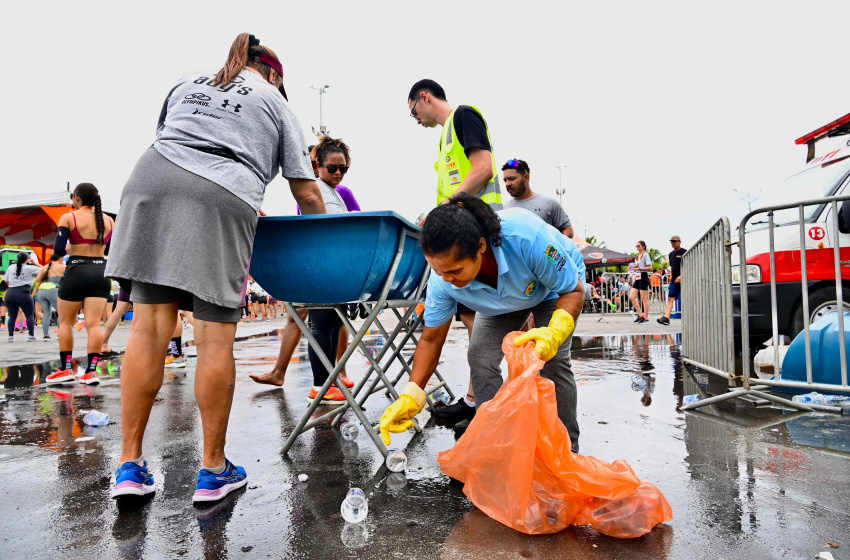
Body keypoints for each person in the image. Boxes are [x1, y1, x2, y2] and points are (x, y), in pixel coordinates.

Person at [103, 32, 325, 503]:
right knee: (213, 334)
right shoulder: (276, 102)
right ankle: (212, 469)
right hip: (223, 192)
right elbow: (307, 193)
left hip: (149, 179)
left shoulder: (188, 81)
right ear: (272, 75)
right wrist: (325, 249)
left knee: (148, 326)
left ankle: (128, 467)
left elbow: (174, 140)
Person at [380, 192, 586, 443]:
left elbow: (572, 290)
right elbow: (431, 340)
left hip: (553, 289)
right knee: (479, 356)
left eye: (455, 270)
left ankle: (567, 447)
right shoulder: (442, 280)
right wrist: (411, 394)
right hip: (504, 299)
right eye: (437, 270)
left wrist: (555, 332)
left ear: (481, 246)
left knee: (553, 361)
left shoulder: (526, 237)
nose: (447, 280)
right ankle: (495, 439)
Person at [407, 79, 504, 425]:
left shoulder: (464, 117)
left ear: (424, 97)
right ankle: (476, 396)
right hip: (461, 233)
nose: (414, 118)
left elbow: (484, 167)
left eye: (413, 110)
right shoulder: (445, 136)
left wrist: (448, 206)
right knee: (470, 319)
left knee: (480, 321)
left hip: (475, 231)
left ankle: (484, 403)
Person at [42, 184, 114, 386]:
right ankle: (91, 372)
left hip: (77, 271)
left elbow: (58, 250)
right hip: (101, 272)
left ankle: (65, 369)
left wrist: (69, 247)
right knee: (93, 324)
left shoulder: (69, 217)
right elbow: (111, 249)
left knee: (65, 322)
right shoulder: (109, 220)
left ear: (77, 198)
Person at [502, 158, 573, 237]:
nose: (507, 184)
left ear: (526, 178)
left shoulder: (549, 203)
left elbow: (568, 230)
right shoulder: (504, 210)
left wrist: (555, 245)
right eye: (505, 180)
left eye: (511, 179)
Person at [3, 252, 41, 342]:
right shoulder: (30, 268)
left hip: (10, 292)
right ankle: (31, 335)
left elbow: (6, 281)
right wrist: (35, 262)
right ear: (27, 259)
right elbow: (44, 269)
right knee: (29, 315)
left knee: (12, 315)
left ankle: (10, 337)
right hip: (23, 293)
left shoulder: (11, 267)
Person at [33, 253, 66, 341]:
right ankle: (60, 335)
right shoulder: (62, 267)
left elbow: (37, 279)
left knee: (46, 314)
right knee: (61, 313)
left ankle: (46, 336)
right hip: (53, 290)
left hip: (42, 290)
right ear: (60, 258)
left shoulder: (46, 267)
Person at [658, 236, 686, 326]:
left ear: (679, 242)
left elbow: (690, 266)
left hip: (685, 279)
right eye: (671, 242)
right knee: (670, 298)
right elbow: (673, 268)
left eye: (674, 241)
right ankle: (666, 318)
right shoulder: (671, 254)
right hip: (674, 280)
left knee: (687, 299)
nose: (673, 243)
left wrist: (682, 276)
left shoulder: (685, 252)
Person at [629, 241, 652, 324]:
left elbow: (650, 267)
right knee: (632, 296)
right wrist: (634, 267)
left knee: (644, 298)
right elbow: (637, 266)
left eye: (638, 246)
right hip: (638, 277)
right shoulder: (638, 256)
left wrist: (639, 268)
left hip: (643, 276)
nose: (637, 247)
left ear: (643, 247)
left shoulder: (646, 255)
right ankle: (640, 315)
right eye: (636, 246)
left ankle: (646, 318)